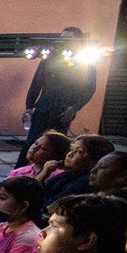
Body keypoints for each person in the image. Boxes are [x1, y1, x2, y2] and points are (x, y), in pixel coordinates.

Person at [19, 26, 97, 165]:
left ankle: (53, 170)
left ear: (78, 41)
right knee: (31, 142)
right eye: (62, 38)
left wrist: (74, 108)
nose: (64, 41)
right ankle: (19, 170)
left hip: (64, 110)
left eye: (68, 38)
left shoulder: (86, 62)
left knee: (58, 145)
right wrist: (29, 107)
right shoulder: (50, 58)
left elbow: (89, 88)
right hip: (43, 107)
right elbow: (36, 83)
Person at [42, 134, 115, 200]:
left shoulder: (85, 182)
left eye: (80, 152)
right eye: (71, 150)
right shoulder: (66, 175)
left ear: (94, 160)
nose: (70, 154)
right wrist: (42, 175)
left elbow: (52, 205)